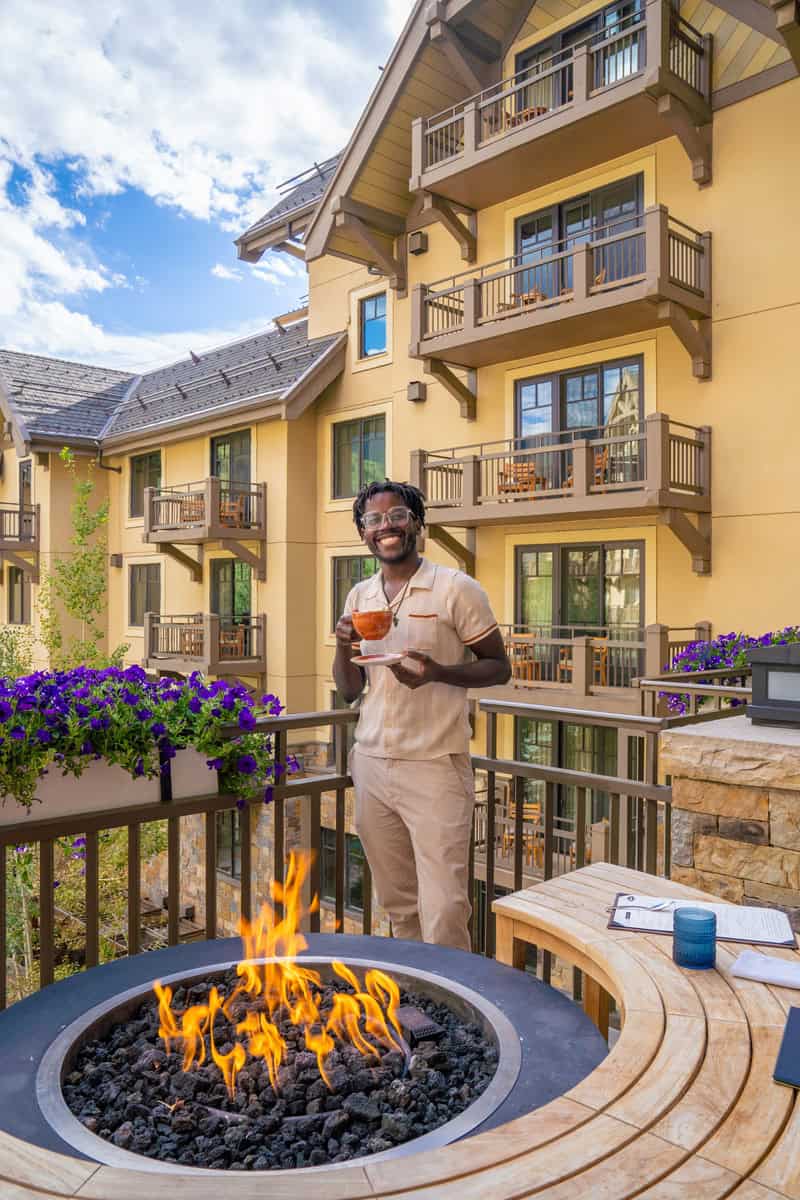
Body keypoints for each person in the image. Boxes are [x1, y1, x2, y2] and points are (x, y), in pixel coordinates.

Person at [333, 479, 511, 952]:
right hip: (371, 764)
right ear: (363, 533)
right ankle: (415, 1001)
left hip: (435, 764)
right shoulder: (359, 596)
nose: (385, 526)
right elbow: (350, 690)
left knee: (447, 907)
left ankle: (453, 1010)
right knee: (399, 903)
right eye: (373, 520)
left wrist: (436, 674)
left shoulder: (456, 588)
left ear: (417, 524)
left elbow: (499, 667)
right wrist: (342, 642)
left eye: (397, 516)